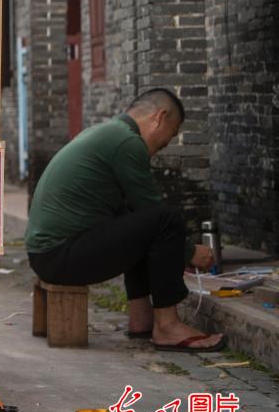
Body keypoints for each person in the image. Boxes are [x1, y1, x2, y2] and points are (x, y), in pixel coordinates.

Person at [25, 89, 224, 352]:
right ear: (159, 117)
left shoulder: (108, 133)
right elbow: (152, 209)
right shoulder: (127, 142)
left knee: (137, 220)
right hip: (61, 255)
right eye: (171, 135)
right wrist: (190, 252)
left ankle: (140, 320)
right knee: (166, 219)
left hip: (47, 255)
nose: (166, 143)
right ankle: (167, 326)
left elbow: (138, 217)